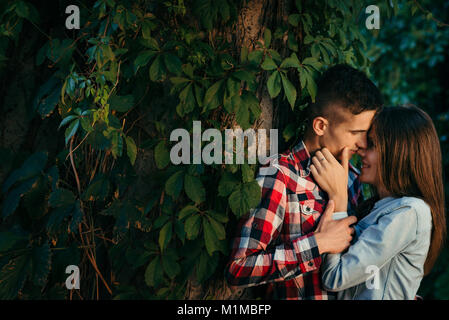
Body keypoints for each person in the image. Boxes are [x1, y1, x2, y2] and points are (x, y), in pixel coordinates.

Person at [225, 64, 383, 300]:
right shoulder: (281, 174)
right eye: (355, 132)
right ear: (320, 125)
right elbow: (239, 269)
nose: (363, 143)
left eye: (366, 133)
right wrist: (319, 243)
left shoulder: (352, 177)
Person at [311, 105, 446, 299]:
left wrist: (338, 200)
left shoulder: (409, 212)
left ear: (399, 152)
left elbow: (335, 278)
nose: (362, 149)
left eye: (372, 144)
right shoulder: (377, 206)